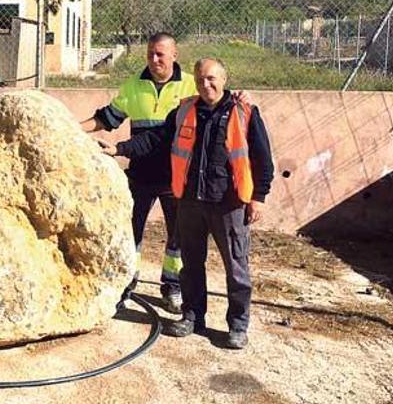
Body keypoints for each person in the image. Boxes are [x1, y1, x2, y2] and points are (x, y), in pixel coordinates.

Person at [99, 57, 273, 350]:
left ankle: (237, 325)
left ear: (224, 79)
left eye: (212, 78)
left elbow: (262, 158)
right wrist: (119, 149)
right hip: (191, 202)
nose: (206, 84)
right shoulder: (184, 111)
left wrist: (259, 198)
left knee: (237, 269)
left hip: (229, 204)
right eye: (201, 79)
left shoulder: (244, 112)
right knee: (191, 265)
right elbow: (155, 139)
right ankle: (192, 316)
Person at [81, 32, 195, 313]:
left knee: (178, 236)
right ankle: (126, 284)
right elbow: (107, 118)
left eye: (160, 54)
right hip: (140, 176)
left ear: (174, 55)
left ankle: (173, 287)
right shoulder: (134, 85)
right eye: (150, 54)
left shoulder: (192, 86)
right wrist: (72, 127)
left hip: (176, 177)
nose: (154, 59)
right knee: (131, 233)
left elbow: (218, 100)